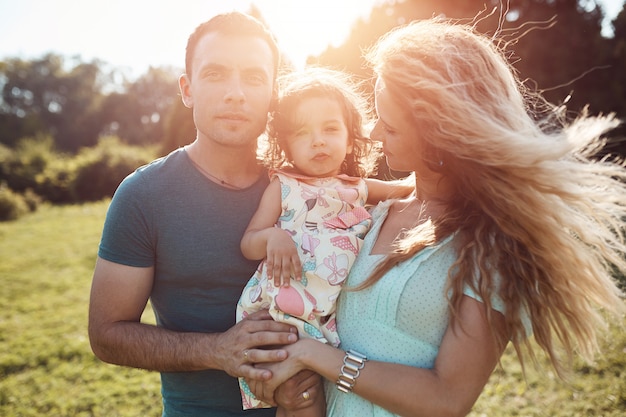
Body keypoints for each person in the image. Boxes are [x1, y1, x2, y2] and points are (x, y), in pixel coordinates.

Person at [244, 18, 626, 417]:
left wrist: (314, 356)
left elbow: (447, 399)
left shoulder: (489, 244)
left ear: (437, 133)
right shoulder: (368, 213)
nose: (373, 134)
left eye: (389, 126)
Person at [88, 12, 318, 416]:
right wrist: (217, 350)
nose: (236, 93)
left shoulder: (310, 186)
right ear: (187, 89)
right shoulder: (143, 195)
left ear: (272, 93)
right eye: (215, 74)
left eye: (253, 76)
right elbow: (106, 335)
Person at [236, 67, 411, 413]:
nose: (318, 141)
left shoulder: (357, 189)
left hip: (332, 318)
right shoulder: (283, 187)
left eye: (330, 129)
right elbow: (248, 242)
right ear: (286, 144)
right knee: (300, 396)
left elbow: (410, 188)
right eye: (303, 133)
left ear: (350, 139)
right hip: (284, 312)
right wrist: (272, 236)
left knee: (324, 393)